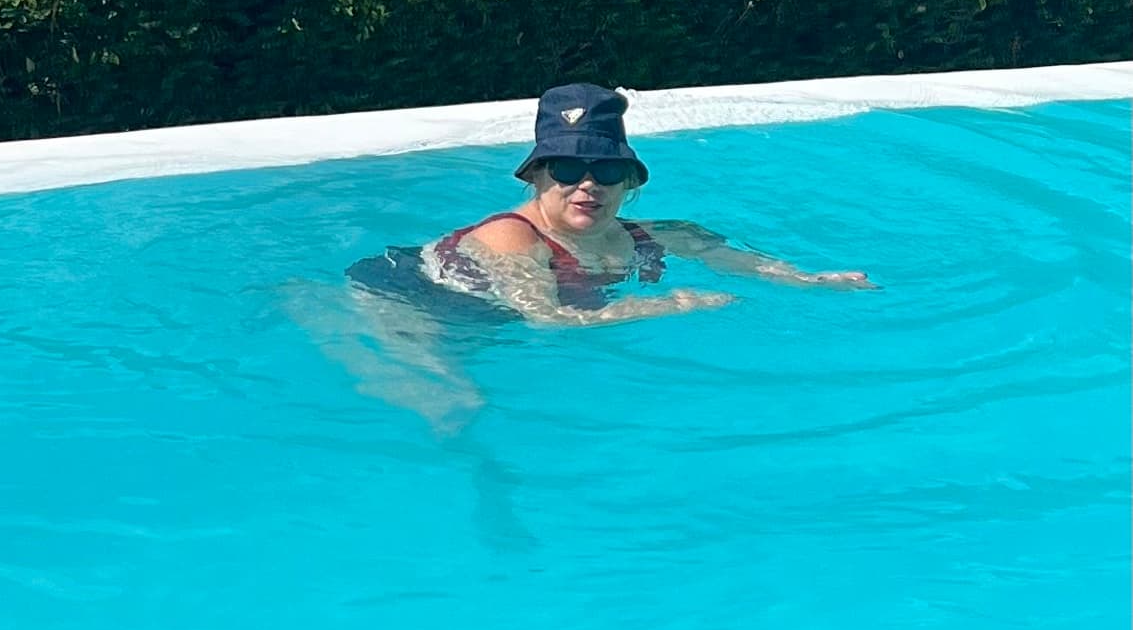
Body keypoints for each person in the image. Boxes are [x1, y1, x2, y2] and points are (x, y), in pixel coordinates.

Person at [291, 83, 873, 427]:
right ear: (538, 177)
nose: (587, 186)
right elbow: (548, 320)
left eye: (606, 171)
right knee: (455, 406)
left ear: (630, 183)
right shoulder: (511, 238)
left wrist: (808, 281)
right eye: (568, 169)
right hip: (408, 302)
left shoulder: (654, 233)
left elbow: (731, 257)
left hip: (484, 320)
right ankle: (308, 305)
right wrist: (668, 306)